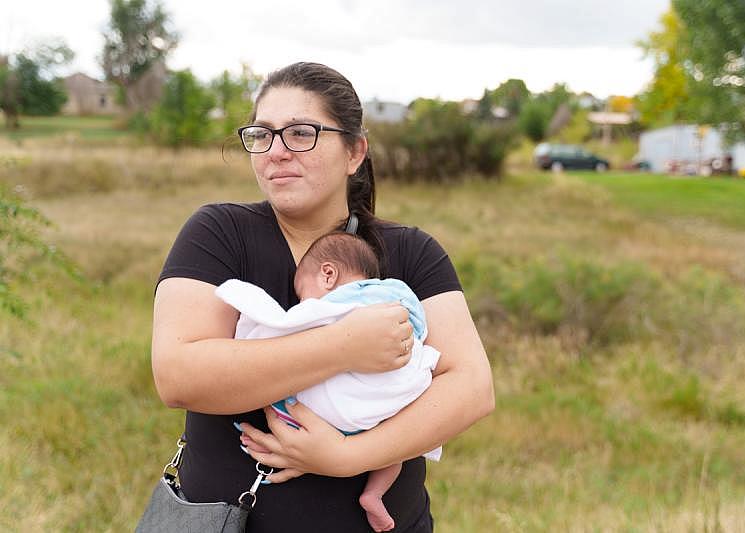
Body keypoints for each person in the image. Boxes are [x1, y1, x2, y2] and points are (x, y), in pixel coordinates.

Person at [151, 61, 494, 532]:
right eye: (262, 134)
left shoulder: (411, 252)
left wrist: (345, 456)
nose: (276, 152)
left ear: (354, 153)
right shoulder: (219, 233)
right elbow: (178, 376)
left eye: (300, 133)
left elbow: (472, 387)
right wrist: (346, 346)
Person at [217, 231, 441, 532]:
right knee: (396, 450)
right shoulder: (399, 296)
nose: (303, 300)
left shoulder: (343, 301)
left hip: (346, 408)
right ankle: (374, 493)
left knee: (286, 394)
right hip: (397, 401)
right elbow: (420, 335)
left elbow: (294, 326)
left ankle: (289, 440)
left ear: (328, 274)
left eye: (303, 292)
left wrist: (253, 324)